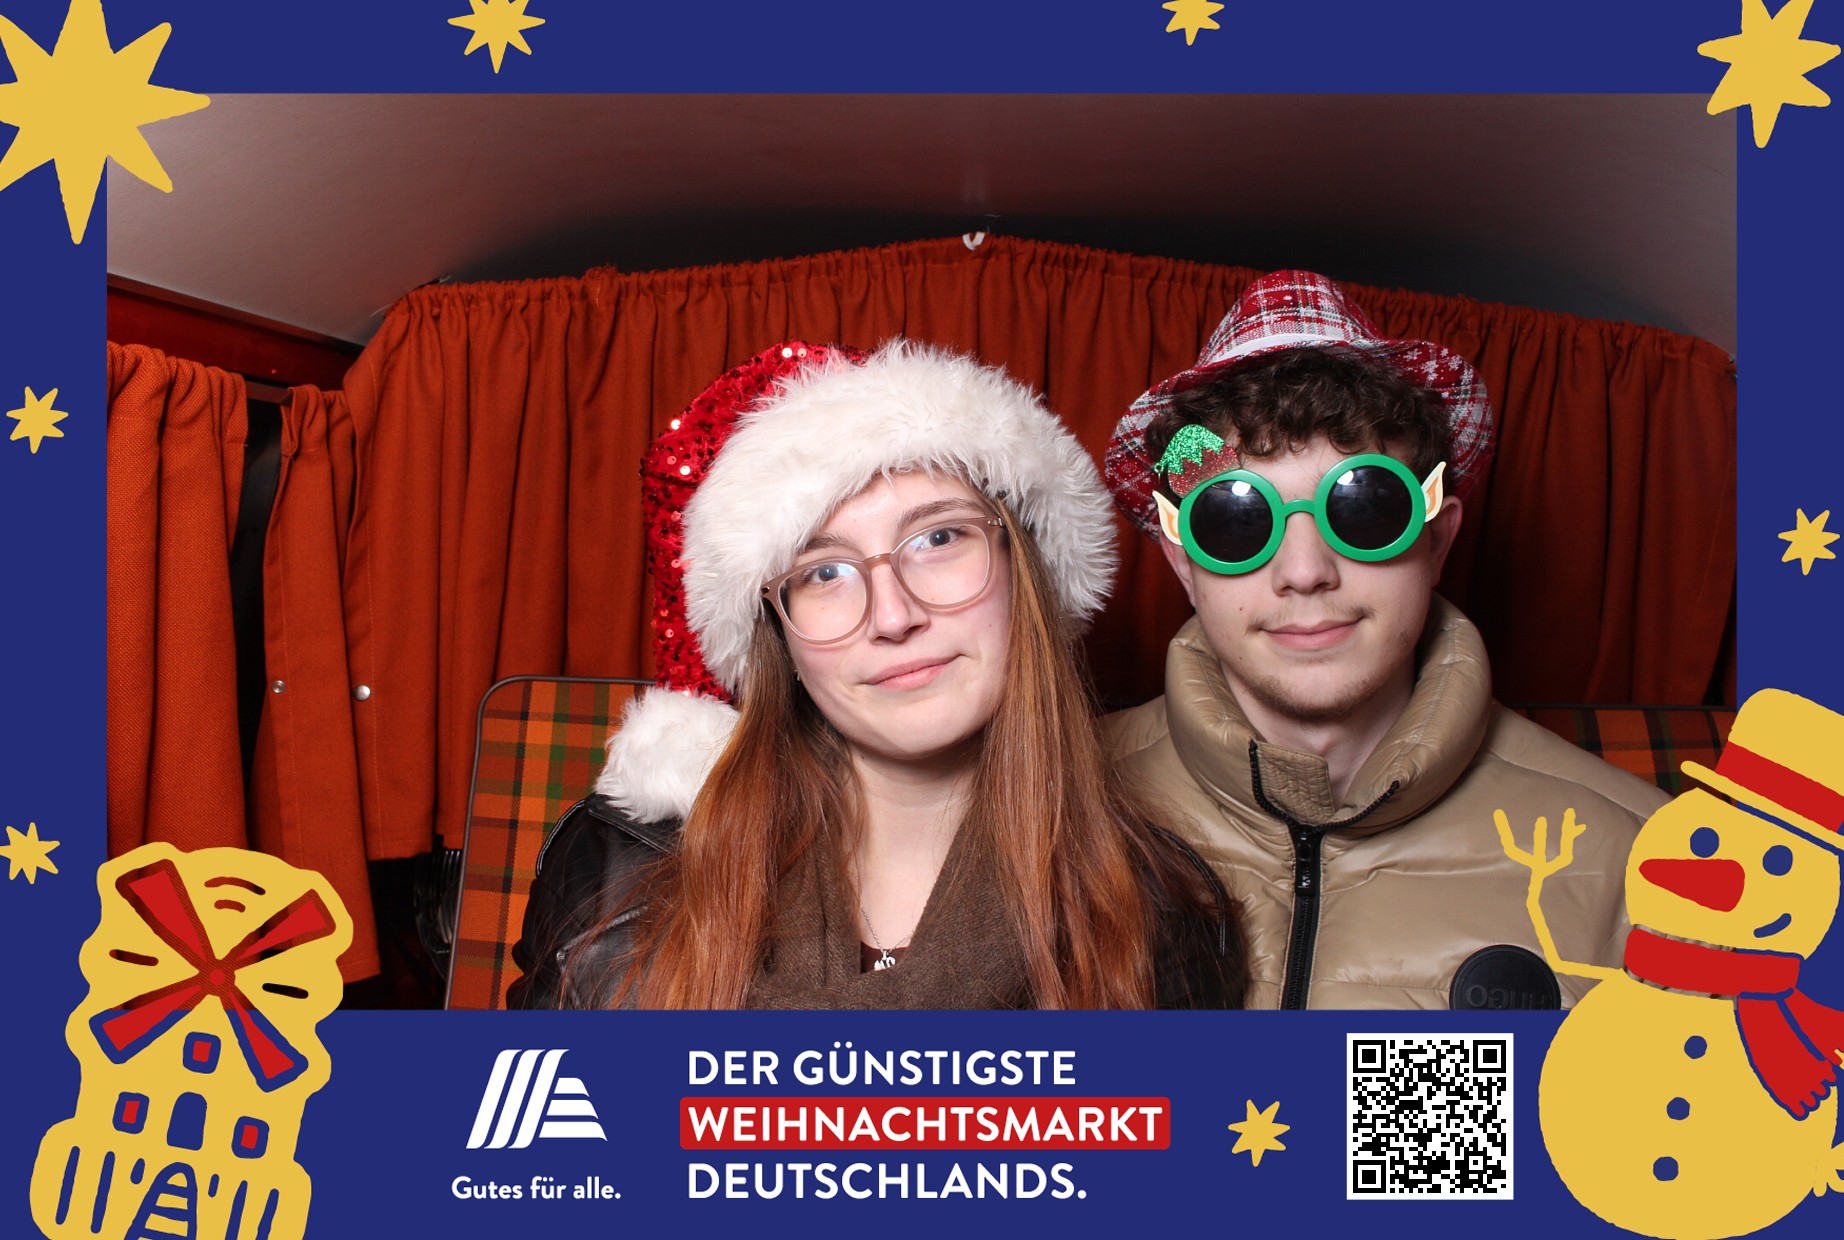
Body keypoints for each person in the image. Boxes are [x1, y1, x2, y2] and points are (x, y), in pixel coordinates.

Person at [511, 340, 1243, 1010]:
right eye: (824, 572)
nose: (893, 616)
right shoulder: (617, 871)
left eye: (939, 537)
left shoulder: (1162, 912)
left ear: (1025, 573)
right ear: (780, 639)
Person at [1103, 270, 1668, 1010]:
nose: (1304, 572)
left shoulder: (1647, 865)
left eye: (1364, 508)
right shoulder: (1044, 804)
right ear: (1183, 562)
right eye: (1236, 519)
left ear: (1437, 541)